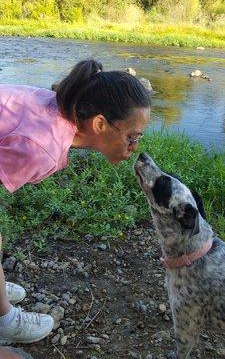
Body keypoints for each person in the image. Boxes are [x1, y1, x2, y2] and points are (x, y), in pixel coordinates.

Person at [0, 59, 151, 344]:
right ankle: (4, 320)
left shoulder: (60, 117)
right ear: (99, 124)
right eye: (132, 137)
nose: (135, 147)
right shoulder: (41, 146)